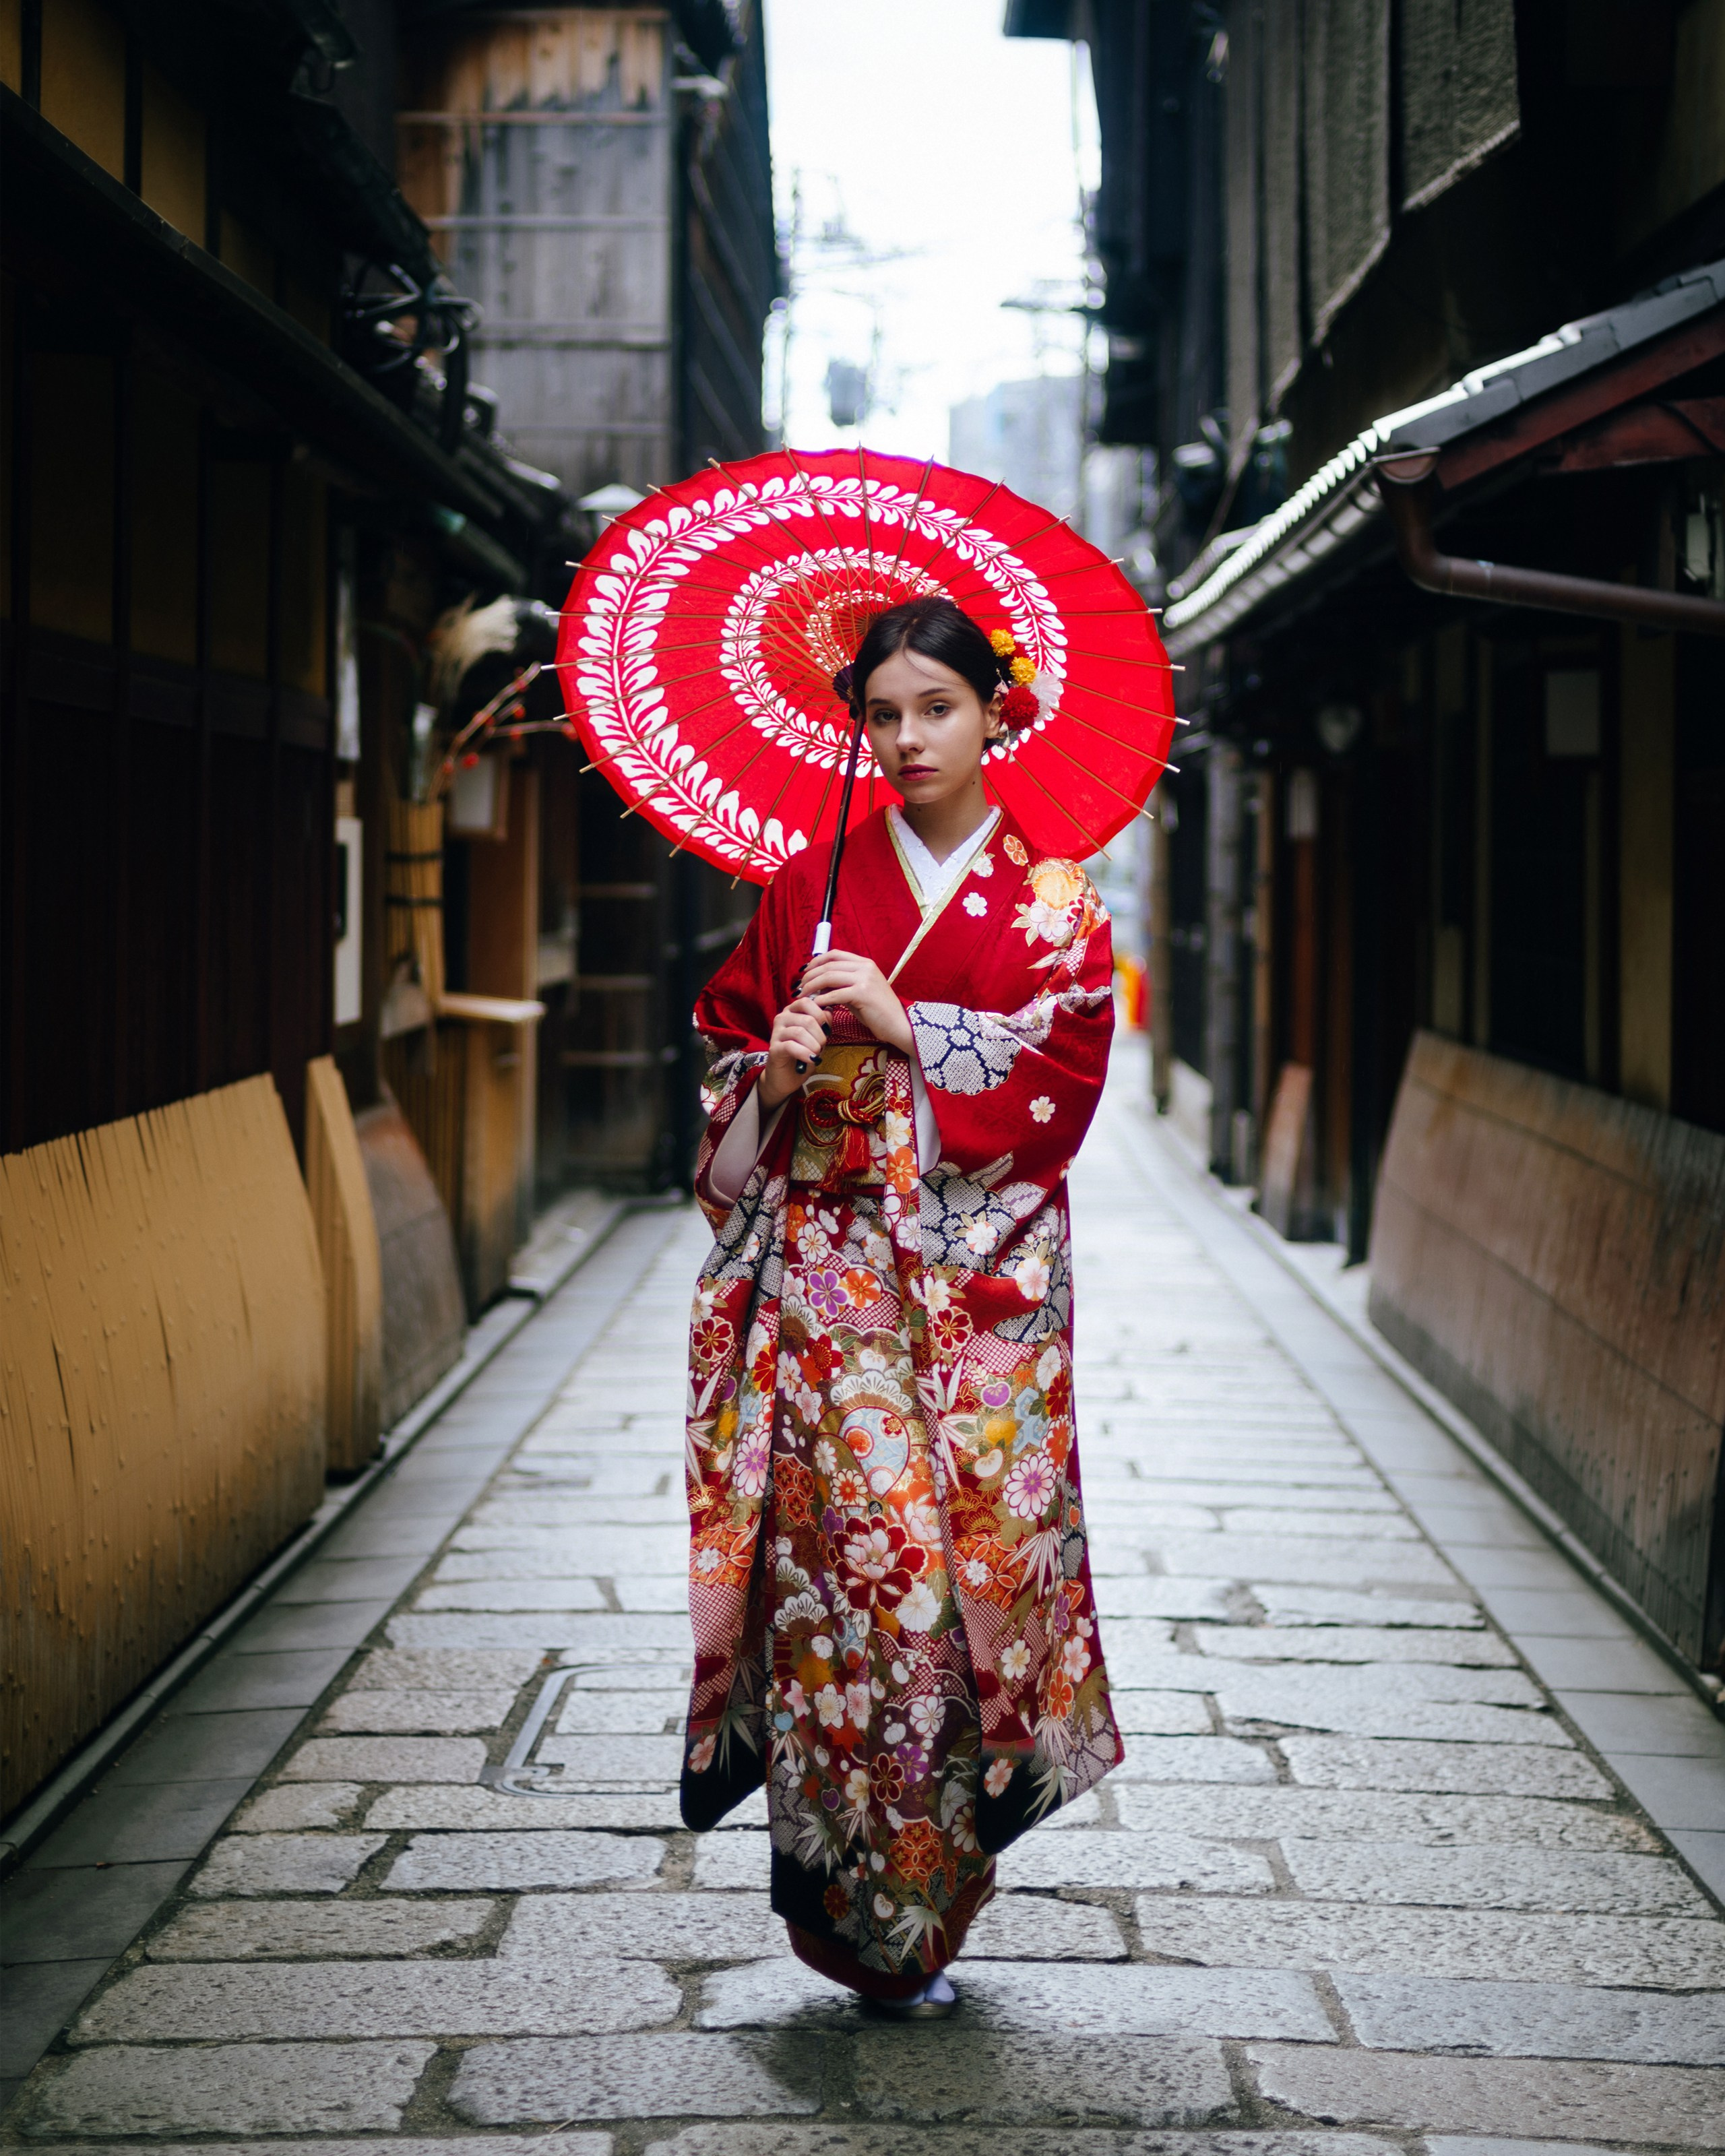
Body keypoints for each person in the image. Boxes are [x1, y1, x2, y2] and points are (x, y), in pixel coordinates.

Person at [678, 596, 1123, 2016]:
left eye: (937, 706)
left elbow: (1059, 1087)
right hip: (825, 1294)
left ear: (998, 711)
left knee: (948, 1593)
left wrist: (907, 1026)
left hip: (976, 1298)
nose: (907, 737)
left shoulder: (1054, 901)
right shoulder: (806, 880)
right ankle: (846, 1886)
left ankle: (938, 1882)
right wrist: (786, 1068)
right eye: (881, 713)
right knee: (843, 1583)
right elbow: (723, 1074)